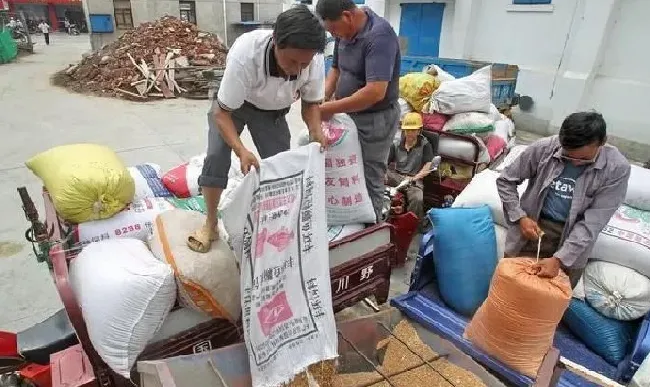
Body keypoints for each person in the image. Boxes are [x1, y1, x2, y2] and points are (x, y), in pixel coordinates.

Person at [186, 5, 328, 253]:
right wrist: (241, 150)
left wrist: (316, 131)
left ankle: (278, 225)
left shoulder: (313, 60)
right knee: (216, 157)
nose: (297, 69)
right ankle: (210, 223)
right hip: (234, 107)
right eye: (292, 61)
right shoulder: (245, 55)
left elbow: (311, 103)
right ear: (276, 42)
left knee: (282, 166)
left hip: (273, 112)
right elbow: (221, 114)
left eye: (303, 63)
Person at [497, 112, 631, 287]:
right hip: (534, 228)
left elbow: (593, 222)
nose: (575, 163)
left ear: (602, 142)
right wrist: (520, 217)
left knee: (550, 301)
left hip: (575, 237)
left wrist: (559, 260)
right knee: (510, 288)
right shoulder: (544, 148)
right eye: (568, 156)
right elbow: (506, 180)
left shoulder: (616, 169)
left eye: (583, 159)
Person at [315, 0, 401, 222]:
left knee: (369, 174)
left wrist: (330, 107)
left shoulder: (379, 36)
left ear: (347, 16)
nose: (335, 35)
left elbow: (375, 92)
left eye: (334, 29)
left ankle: (371, 231)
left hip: (375, 119)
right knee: (345, 170)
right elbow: (336, 68)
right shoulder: (342, 34)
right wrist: (322, 98)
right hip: (348, 115)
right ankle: (346, 217)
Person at [386, 112, 434, 220]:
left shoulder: (425, 145)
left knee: (418, 198)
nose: (410, 133)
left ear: (419, 130)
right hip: (397, 177)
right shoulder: (396, 144)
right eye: (407, 130)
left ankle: (413, 226)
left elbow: (428, 165)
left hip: (414, 180)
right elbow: (385, 163)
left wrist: (414, 178)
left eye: (413, 130)